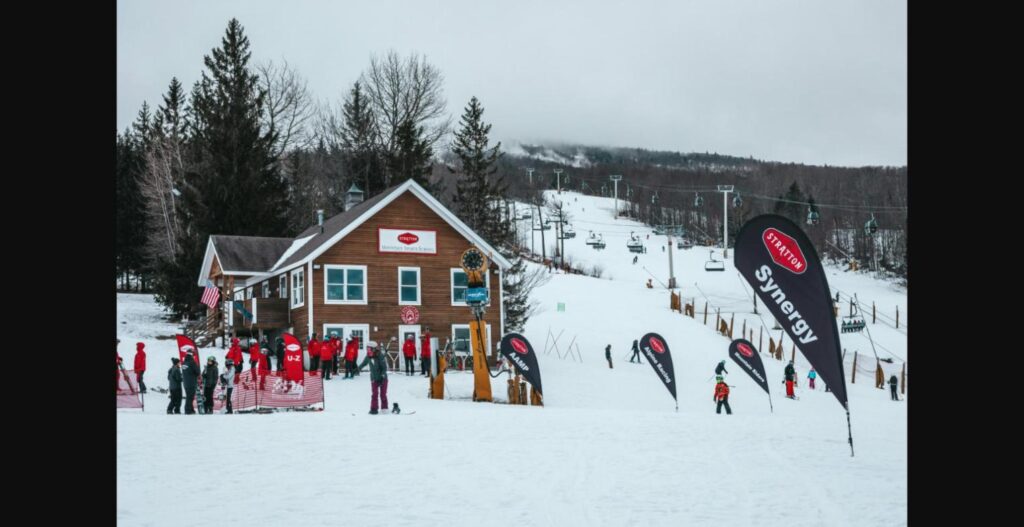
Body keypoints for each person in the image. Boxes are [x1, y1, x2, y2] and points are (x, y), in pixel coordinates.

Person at [359, 341, 389, 414]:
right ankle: (374, 409)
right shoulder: (368, 356)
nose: (368, 350)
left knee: (383, 394)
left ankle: (384, 408)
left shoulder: (380, 356)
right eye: (367, 348)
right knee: (374, 394)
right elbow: (363, 363)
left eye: (369, 349)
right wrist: (356, 369)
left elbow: (384, 368)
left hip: (382, 378)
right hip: (374, 378)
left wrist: (382, 376)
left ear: (374, 349)